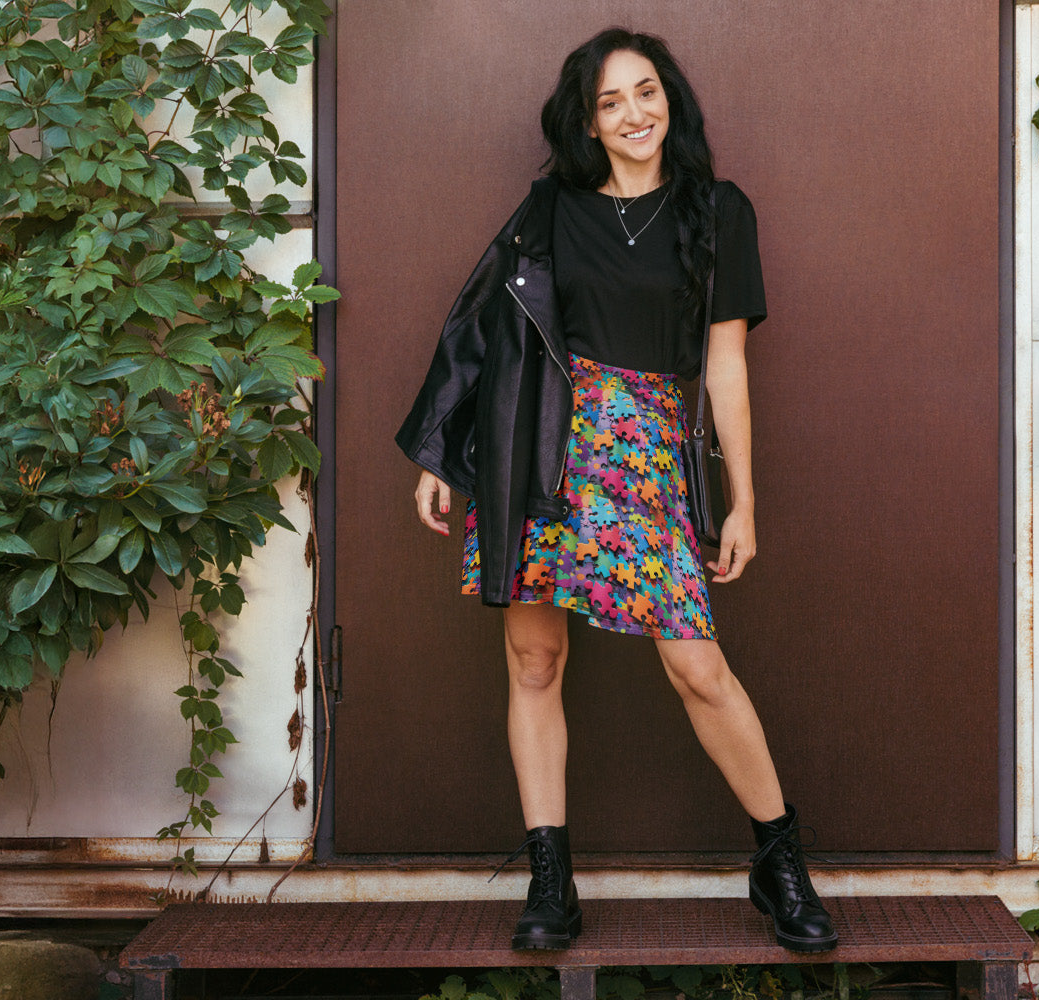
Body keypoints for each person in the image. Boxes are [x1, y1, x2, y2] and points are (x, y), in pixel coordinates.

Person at [393, 28, 837, 954]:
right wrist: (440, 450)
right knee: (533, 663)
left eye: (645, 93)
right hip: (539, 448)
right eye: (609, 102)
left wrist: (741, 500)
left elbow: (724, 367)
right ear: (586, 122)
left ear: (669, 99)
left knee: (696, 666)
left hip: (645, 452)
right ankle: (551, 882)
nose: (632, 114)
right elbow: (477, 325)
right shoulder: (549, 207)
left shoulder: (716, 210)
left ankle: (777, 860)